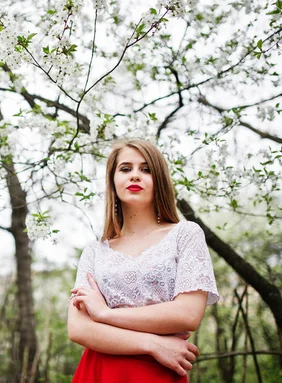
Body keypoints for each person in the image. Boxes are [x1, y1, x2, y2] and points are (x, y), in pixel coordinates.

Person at [67, 138, 219, 382]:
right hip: (99, 370)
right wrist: (152, 343)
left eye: (146, 169)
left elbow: (187, 314)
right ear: (113, 181)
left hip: (158, 372)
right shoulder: (94, 252)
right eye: (125, 169)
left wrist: (105, 315)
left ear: (158, 179)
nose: (135, 175)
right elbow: (78, 328)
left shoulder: (185, 234)